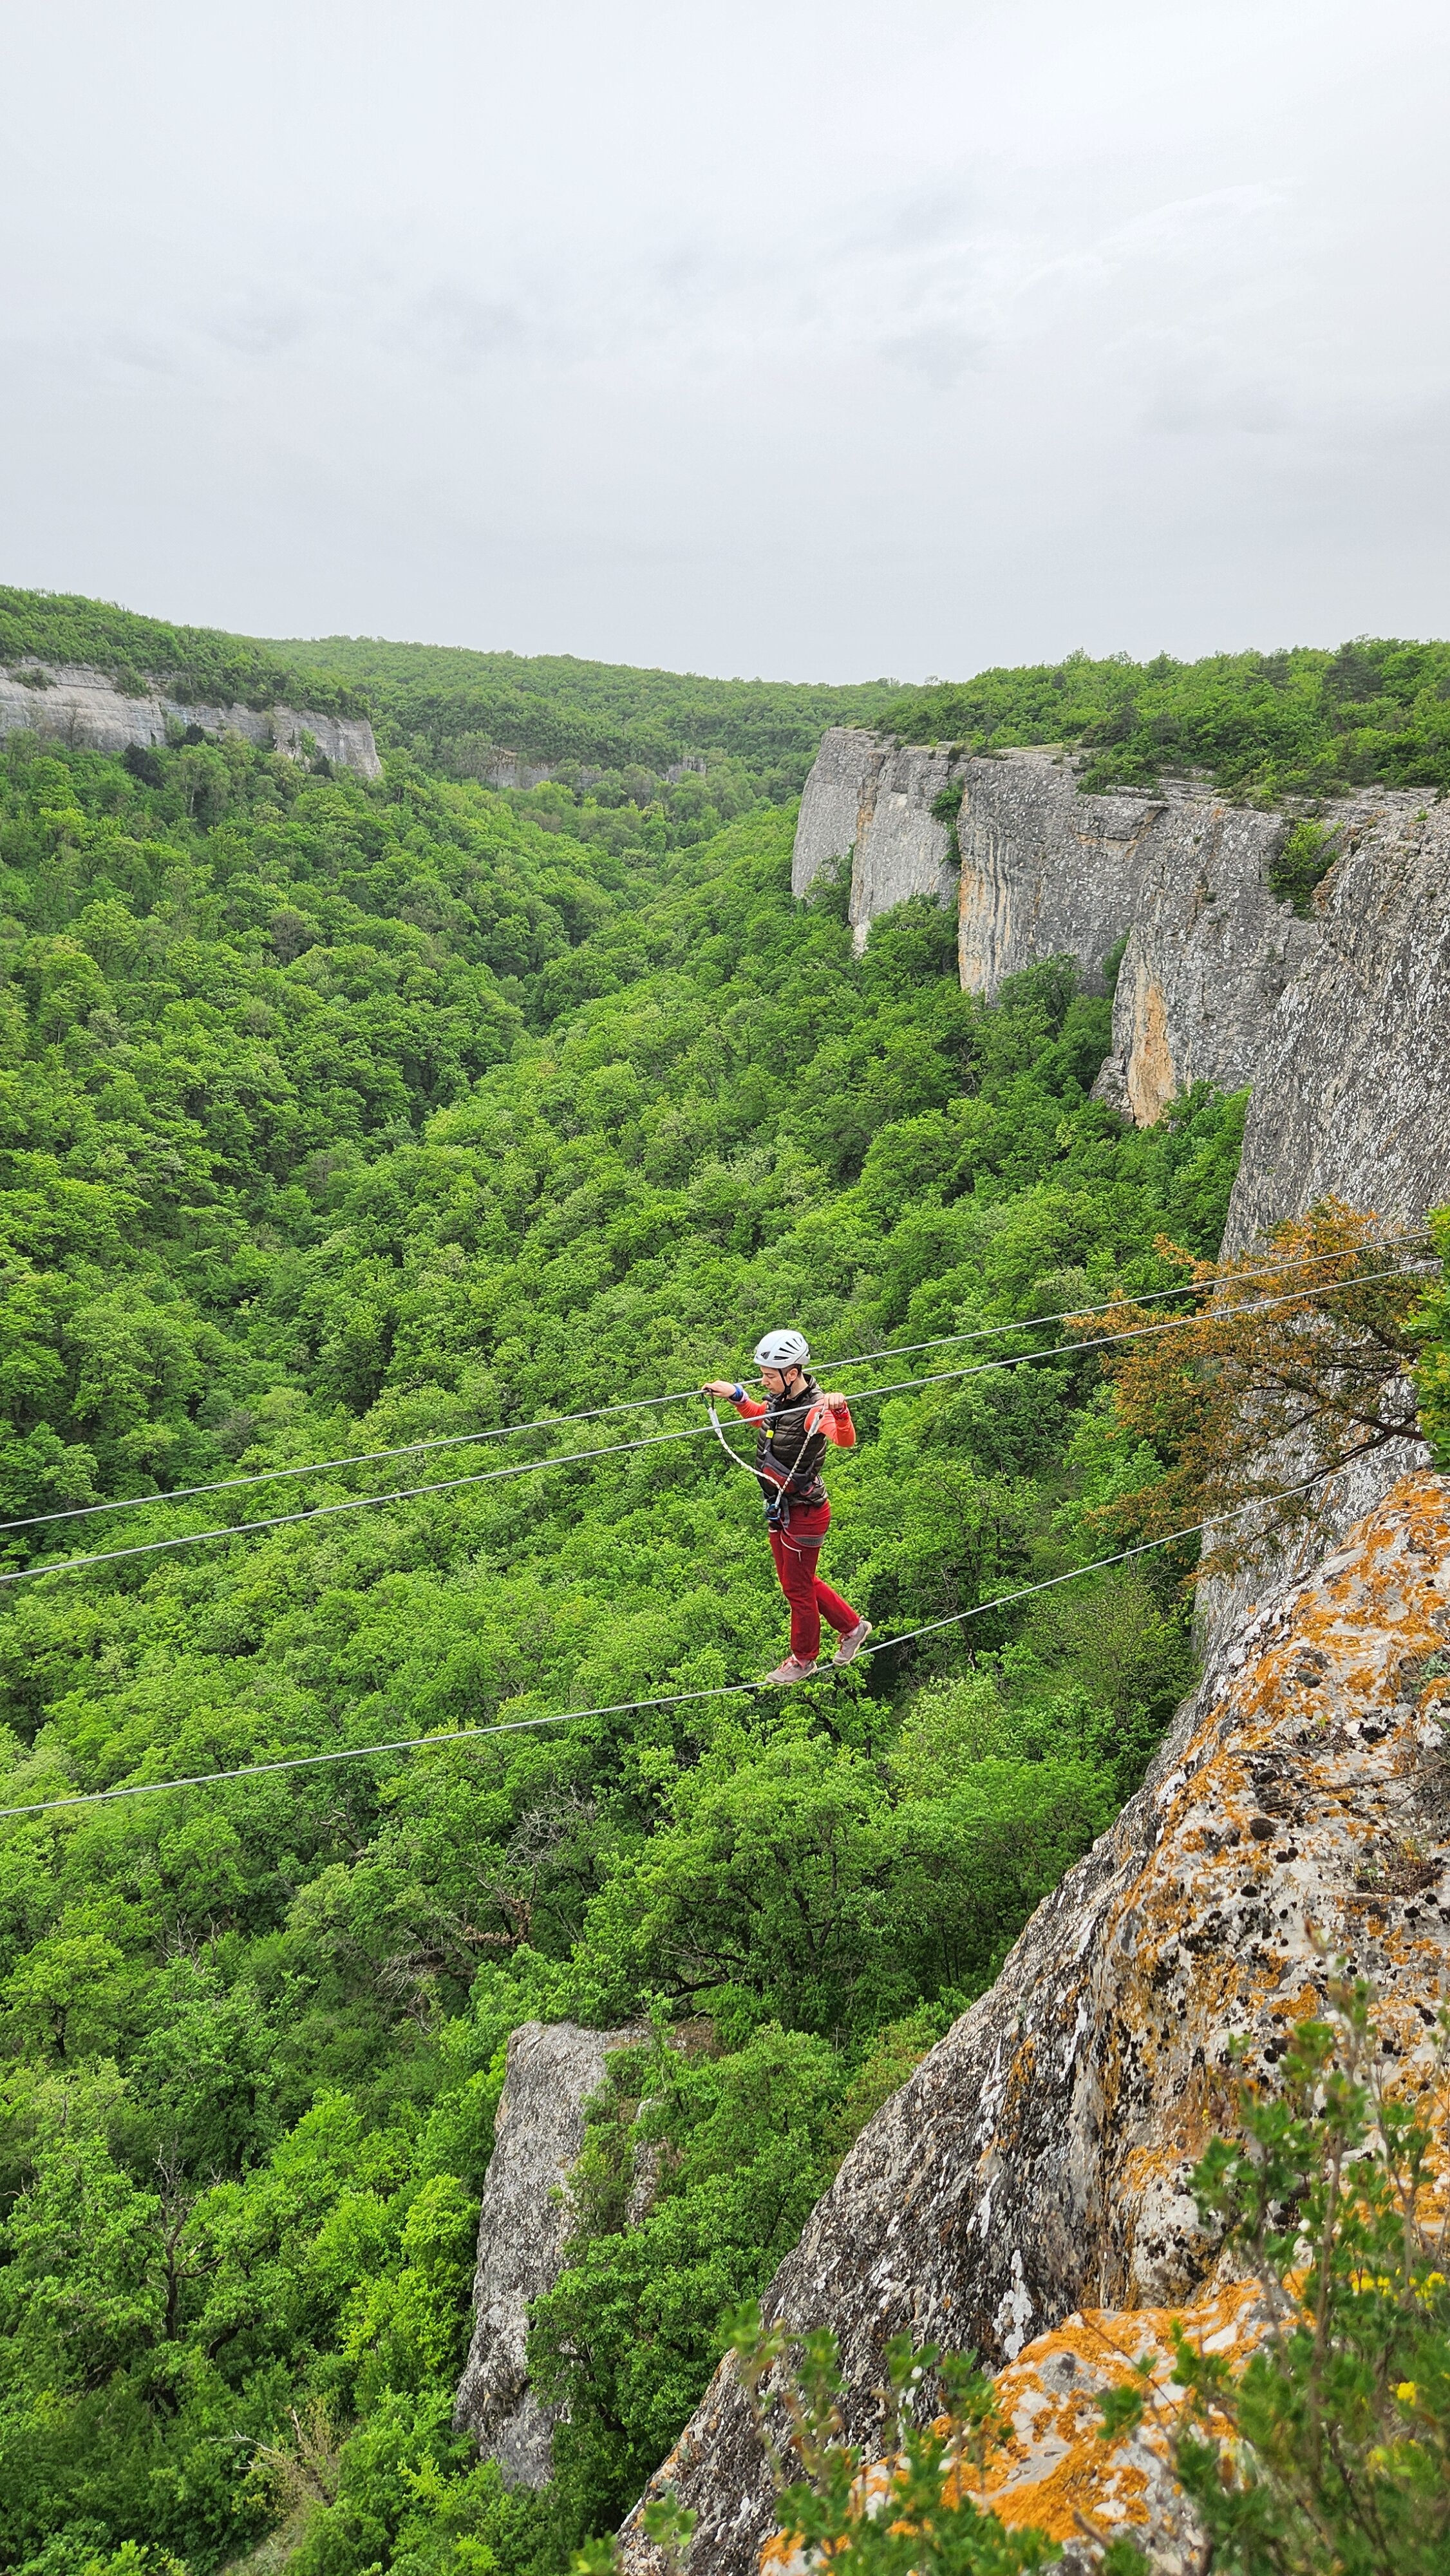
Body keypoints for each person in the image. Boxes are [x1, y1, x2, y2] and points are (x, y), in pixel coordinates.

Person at [703, 1329, 872, 1687]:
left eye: (768, 1375)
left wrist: (841, 1411)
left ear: (791, 1373)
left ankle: (804, 1658)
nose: (764, 1380)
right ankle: (853, 1627)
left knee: (797, 1590)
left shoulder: (815, 1409)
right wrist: (736, 1395)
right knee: (797, 1582)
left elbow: (846, 1440)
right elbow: (761, 1417)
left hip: (805, 1513)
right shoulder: (782, 1400)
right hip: (782, 1508)